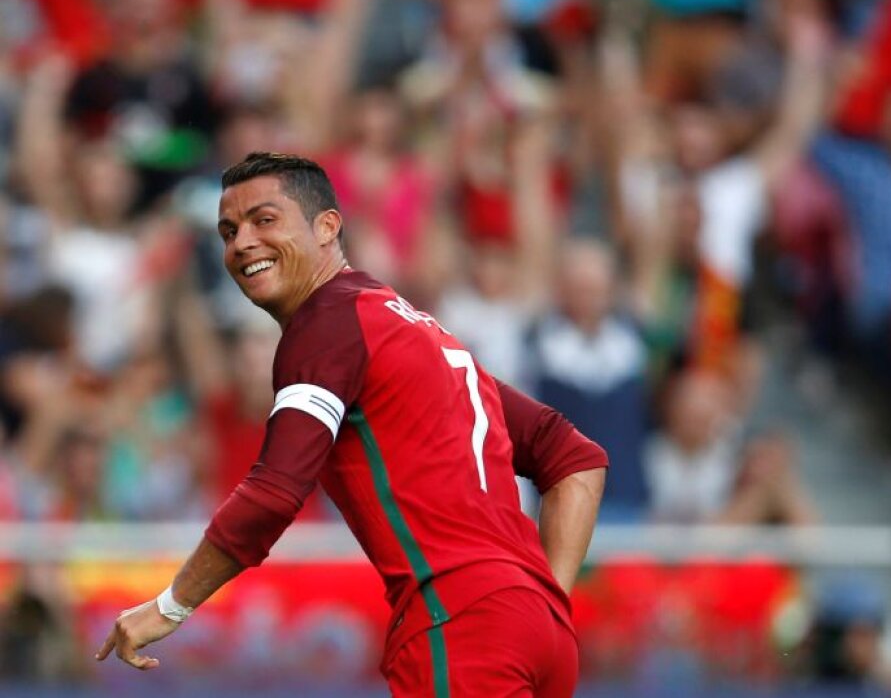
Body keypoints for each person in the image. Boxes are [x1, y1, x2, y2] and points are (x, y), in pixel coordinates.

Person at [94, 153, 608, 697]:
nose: (241, 242)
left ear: (327, 226)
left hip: (459, 620)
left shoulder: (327, 325)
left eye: (264, 220)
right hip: (538, 631)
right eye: (228, 230)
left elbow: (272, 494)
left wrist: (170, 606)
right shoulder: (410, 330)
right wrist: (544, 604)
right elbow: (577, 461)